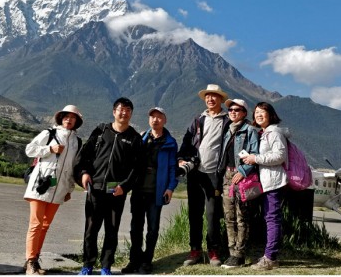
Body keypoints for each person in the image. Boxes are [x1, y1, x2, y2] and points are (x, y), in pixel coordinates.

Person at [74, 97, 143, 275]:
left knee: (111, 230)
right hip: (95, 187)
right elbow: (84, 156)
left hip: (116, 189)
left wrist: (125, 186)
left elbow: (137, 169)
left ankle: (106, 266)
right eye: (121, 109)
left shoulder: (134, 138)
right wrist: (83, 174)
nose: (124, 112)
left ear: (131, 113)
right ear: (114, 111)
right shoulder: (100, 131)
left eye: (128, 109)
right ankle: (88, 264)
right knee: (91, 229)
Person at [24, 105, 84, 275]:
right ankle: (31, 262)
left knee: (45, 226)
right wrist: (49, 149)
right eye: (66, 116)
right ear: (61, 118)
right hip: (40, 186)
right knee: (35, 224)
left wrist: (69, 189)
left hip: (59, 189)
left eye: (73, 117)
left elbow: (73, 168)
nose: (69, 119)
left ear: (77, 121)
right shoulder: (49, 133)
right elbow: (29, 150)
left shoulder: (76, 142)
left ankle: (34, 258)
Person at [177, 84, 230, 267]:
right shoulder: (198, 119)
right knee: (194, 213)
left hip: (214, 174)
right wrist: (181, 160)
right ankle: (195, 250)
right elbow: (186, 140)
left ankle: (214, 251)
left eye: (214, 96)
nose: (210, 99)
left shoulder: (227, 120)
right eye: (208, 96)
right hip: (195, 173)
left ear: (221, 100)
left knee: (212, 214)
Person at [121, 107, 179, 274]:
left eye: (159, 117)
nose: (155, 120)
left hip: (157, 192)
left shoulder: (170, 142)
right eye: (152, 117)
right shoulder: (141, 139)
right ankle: (134, 260)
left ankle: (147, 261)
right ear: (149, 120)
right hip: (139, 191)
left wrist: (170, 188)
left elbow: (172, 167)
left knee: (152, 229)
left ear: (164, 120)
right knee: (135, 228)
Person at [241, 102, 288, 271]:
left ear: (271, 114)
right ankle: (269, 254)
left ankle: (271, 258)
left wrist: (256, 158)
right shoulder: (265, 132)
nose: (259, 115)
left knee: (272, 219)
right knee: (269, 218)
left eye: (263, 112)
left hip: (274, 182)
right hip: (268, 182)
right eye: (256, 112)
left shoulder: (274, 132)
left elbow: (280, 156)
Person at [216, 99, 259, 269]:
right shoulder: (228, 130)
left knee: (242, 216)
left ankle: (239, 254)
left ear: (244, 112)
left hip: (241, 176)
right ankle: (231, 251)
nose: (232, 112)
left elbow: (255, 154)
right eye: (230, 109)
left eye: (237, 109)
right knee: (229, 216)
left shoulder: (250, 131)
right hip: (227, 176)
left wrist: (242, 171)